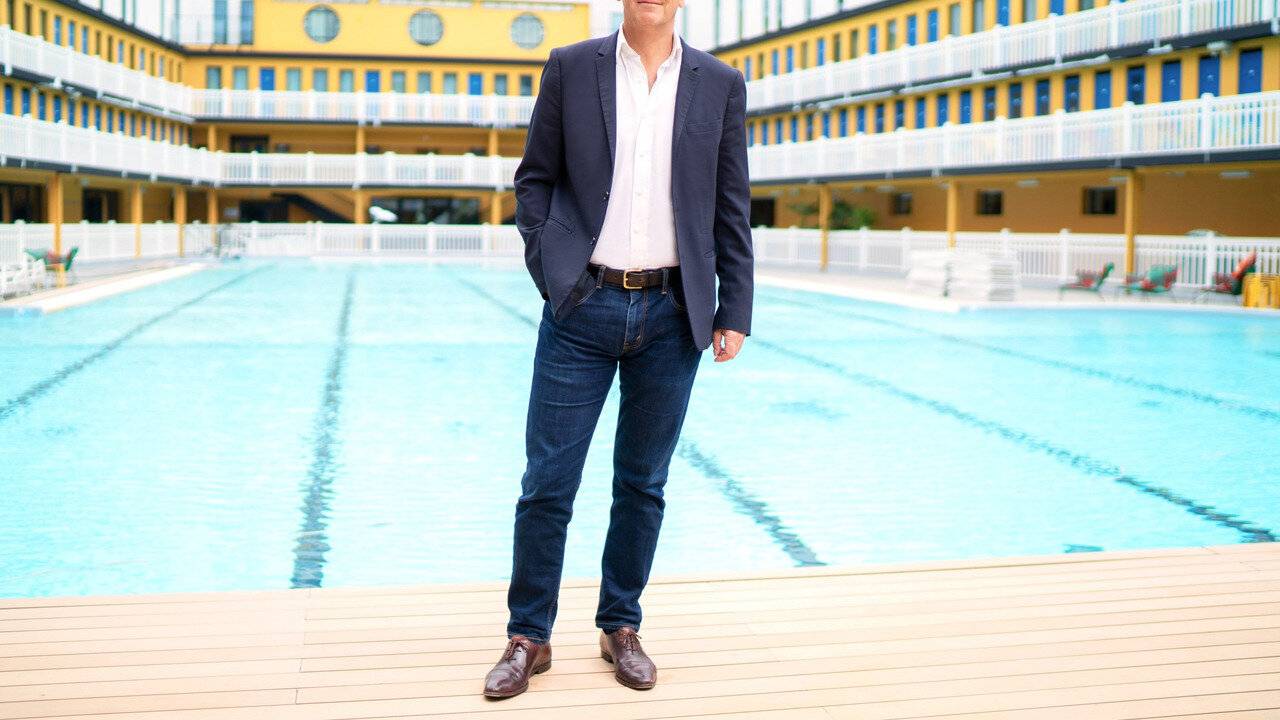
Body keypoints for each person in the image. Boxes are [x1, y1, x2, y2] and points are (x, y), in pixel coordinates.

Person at [483, 0, 754, 699]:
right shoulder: (572, 68)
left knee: (643, 483)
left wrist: (734, 308)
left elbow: (731, 202)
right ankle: (528, 635)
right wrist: (552, 271)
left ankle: (620, 625)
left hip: (673, 312)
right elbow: (534, 178)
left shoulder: (720, 83)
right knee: (548, 482)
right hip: (582, 306)